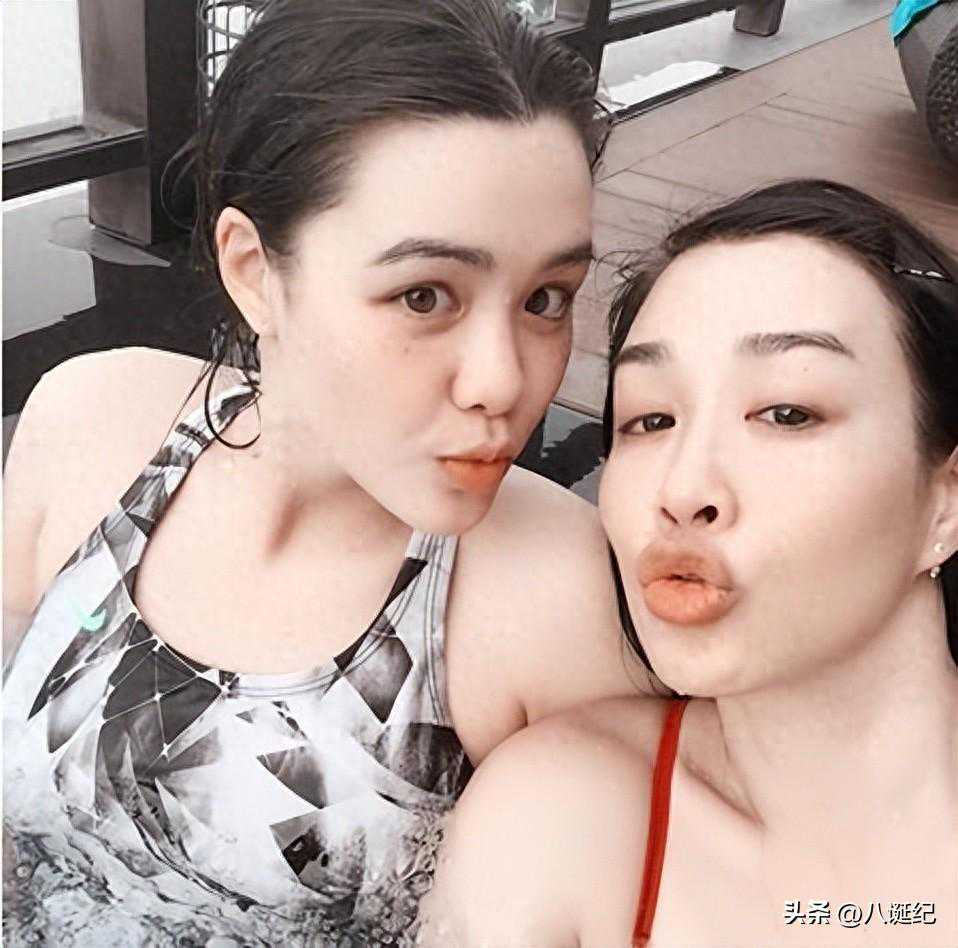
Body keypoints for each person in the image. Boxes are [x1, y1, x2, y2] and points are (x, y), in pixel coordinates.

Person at [1, 1, 651, 943]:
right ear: (254, 270)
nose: (506, 382)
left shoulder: (546, 596)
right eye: (424, 295)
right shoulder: (88, 422)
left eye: (547, 299)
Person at [424, 179, 958, 947]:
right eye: (651, 419)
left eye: (787, 413)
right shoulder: (563, 821)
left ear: (945, 500)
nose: (682, 489)